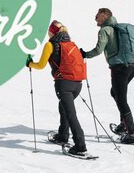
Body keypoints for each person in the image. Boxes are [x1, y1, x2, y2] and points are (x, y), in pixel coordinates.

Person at [26, 20, 91, 158]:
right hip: (77, 84)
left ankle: (80, 147)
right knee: (64, 108)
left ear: (52, 32)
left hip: (63, 84)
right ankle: (62, 136)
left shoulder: (50, 45)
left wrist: (30, 63)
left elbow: (41, 65)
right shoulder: (71, 44)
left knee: (71, 114)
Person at [82, 8, 134, 144]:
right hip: (132, 66)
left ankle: (132, 133)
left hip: (119, 68)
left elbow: (98, 50)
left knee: (121, 98)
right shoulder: (119, 29)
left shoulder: (105, 30)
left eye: (97, 16)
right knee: (115, 92)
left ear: (104, 16)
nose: (95, 19)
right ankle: (124, 125)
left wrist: (84, 54)